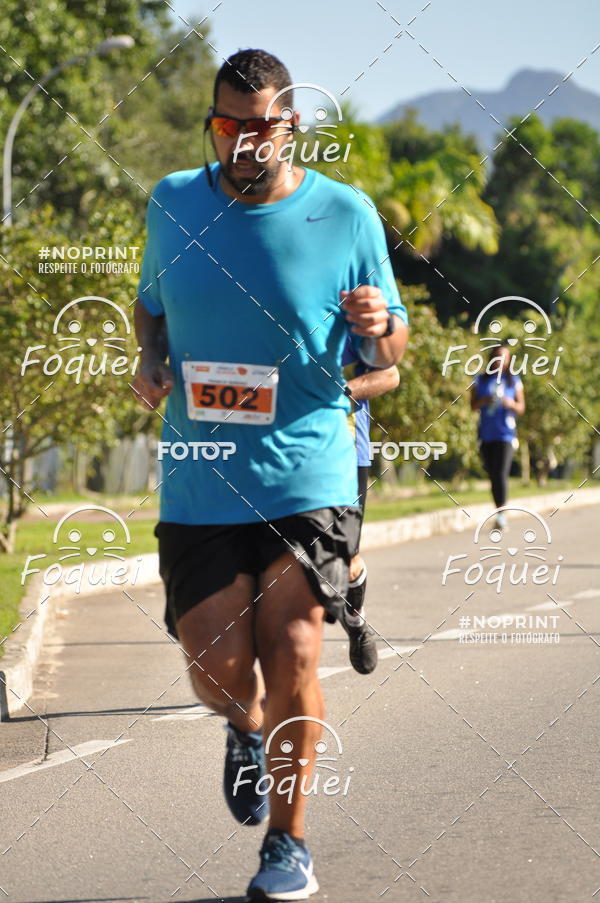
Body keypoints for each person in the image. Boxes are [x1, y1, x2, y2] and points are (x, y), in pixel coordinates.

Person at [132, 48, 408, 902]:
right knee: (217, 668)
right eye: (228, 127)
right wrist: (149, 362)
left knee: (292, 648)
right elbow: (150, 309)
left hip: (308, 469)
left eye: (261, 127)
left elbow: (392, 345)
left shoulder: (346, 213)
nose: (245, 144)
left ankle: (288, 844)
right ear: (212, 126)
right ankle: (244, 728)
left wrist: (377, 325)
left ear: (291, 125)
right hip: (201, 476)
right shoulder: (173, 203)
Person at [340, 336, 399, 674]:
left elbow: (389, 375)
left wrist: (338, 393)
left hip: (346, 450)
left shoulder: (352, 323)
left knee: (348, 560)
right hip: (279, 450)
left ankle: (354, 619)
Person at [471, 345, 525, 530]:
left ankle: (502, 515)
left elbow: (521, 407)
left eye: (505, 358)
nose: (501, 361)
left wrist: (510, 403)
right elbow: (472, 405)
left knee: (501, 473)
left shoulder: (513, 381)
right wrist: (485, 401)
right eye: (497, 357)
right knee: (493, 474)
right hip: (486, 434)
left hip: (506, 434)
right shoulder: (481, 380)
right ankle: (498, 511)